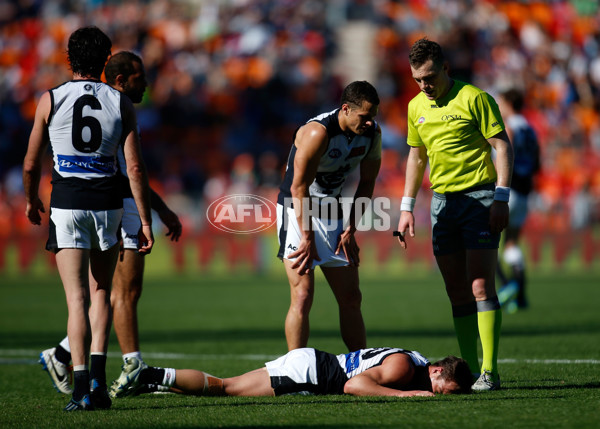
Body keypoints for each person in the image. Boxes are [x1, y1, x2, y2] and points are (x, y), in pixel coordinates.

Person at [37, 52, 183, 399]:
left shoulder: (114, 106)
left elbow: (134, 171)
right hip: (114, 204)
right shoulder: (114, 106)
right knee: (120, 291)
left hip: (118, 203)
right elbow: (129, 170)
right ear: (120, 80)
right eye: (139, 78)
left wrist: (160, 209)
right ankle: (131, 365)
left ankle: (62, 353)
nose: (145, 84)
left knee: (116, 291)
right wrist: (154, 213)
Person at [23, 27, 154, 411]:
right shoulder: (120, 102)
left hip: (66, 202)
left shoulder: (50, 99)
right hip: (108, 204)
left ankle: (80, 388)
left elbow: (31, 163)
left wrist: (31, 201)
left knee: (76, 298)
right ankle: (98, 383)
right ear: (105, 59)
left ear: (69, 59)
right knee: (102, 293)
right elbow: (134, 166)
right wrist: (145, 221)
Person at [396, 38, 514, 392]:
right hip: (441, 205)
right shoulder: (415, 106)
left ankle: (490, 372)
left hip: (479, 199)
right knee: (456, 292)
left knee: (480, 286)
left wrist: (501, 198)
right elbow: (416, 158)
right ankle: (470, 371)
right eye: (418, 79)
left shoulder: (475, 98)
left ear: (445, 68)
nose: (424, 85)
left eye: (429, 77)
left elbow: (501, 146)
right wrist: (406, 207)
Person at [276, 81, 382, 352]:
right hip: (297, 210)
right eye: (364, 116)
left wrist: (351, 230)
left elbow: (367, 182)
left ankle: (360, 366)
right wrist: (307, 237)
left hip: (331, 209)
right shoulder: (317, 132)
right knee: (302, 295)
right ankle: (295, 375)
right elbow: (298, 187)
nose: (369, 122)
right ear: (346, 109)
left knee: (351, 296)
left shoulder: (371, 134)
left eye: (373, 117)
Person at [125, 347, 472, 397]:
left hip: (312, 367)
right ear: (437, 369)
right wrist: (406, 396)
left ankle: (154, 384)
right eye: (446, 387)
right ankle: (152, 374)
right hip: (313, 372)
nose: (440, 393)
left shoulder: (415, 361)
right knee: (224, 387)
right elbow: (354, 386)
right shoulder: (403, 369)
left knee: (225, 386)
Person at [495, 88, 540, 312]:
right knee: (511, 242)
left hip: (507, 191)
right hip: (524, 192)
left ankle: (507, 286)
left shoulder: (509, 127)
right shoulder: (531, 129)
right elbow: (537, 163)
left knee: (485, 242)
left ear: (508, 103)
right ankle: (521, 295)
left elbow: (504, 156)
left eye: (500, 102)